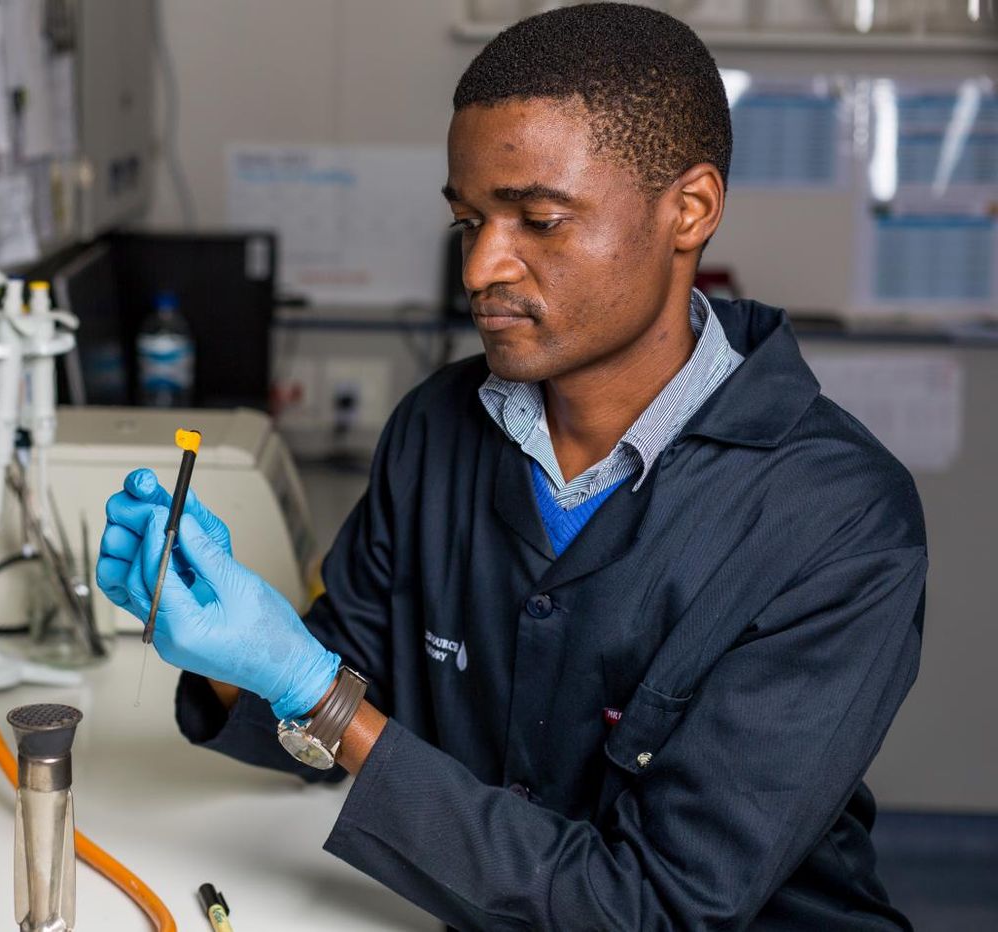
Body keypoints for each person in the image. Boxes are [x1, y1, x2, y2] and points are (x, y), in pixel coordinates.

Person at [97, 4, 927, 929]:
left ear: (688, 210)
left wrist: (315, 694)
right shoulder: (437, 429)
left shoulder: (838, 517)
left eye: (538, 219)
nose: (482, 267)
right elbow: (348, 673)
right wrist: (216, 642)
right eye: (468, 221)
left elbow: (657, 907)